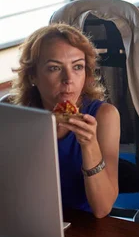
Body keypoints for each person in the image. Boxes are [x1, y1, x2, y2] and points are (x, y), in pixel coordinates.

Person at [11, 24, 120, 218]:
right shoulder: (13, 113)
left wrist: (89, 145)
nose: (69, 79)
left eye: (77, 67)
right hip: (29, 221)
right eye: (54, 68)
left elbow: (102, 209)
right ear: (33, 75)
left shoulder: (105, 115)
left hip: (84, 227)